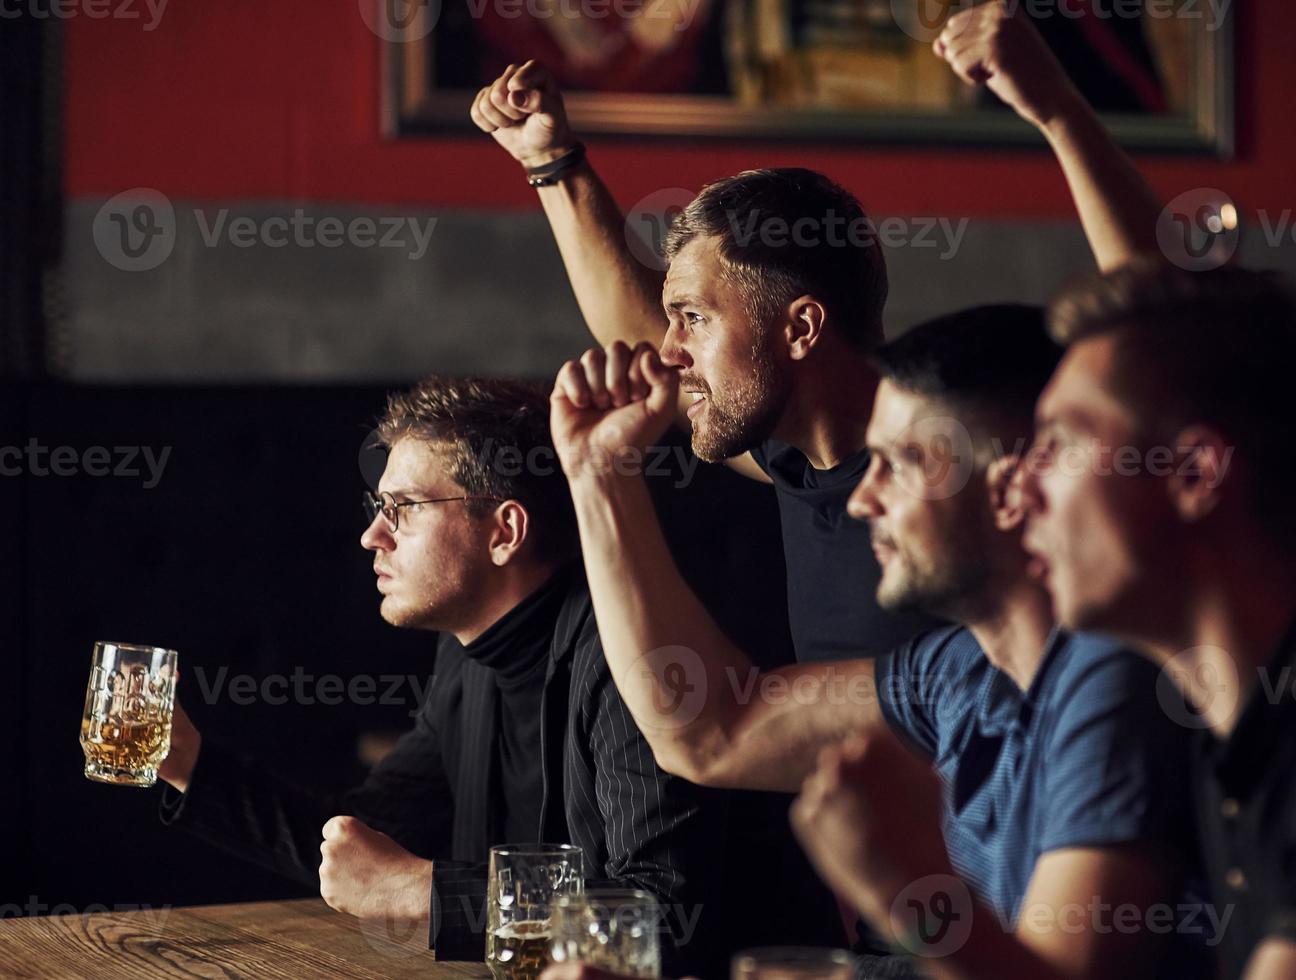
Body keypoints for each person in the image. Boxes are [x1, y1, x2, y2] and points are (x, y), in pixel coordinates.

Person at [470, 0, 1172, 666]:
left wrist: (1055, 107)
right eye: (678, 319)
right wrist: (550, 164)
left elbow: (1160, 336)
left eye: (695, 319)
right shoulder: (793, 456)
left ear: (801, 327)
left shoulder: (960, 454)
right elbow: (639, 319)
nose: (669, 350)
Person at [546, 307, 1208, 979]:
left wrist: (900, 884)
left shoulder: (1114, 681)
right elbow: (713, 730)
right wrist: (602, 476)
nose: (862, 501)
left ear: (1013, 487)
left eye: (900, 462)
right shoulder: (956, 671)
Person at [153, 376, 842, 970]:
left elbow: (660, 917)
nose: (373, 535)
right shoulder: (469, 649)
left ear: (505, 531)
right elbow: (363, 847)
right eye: (377, 507)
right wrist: (189, 765)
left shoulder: (625, 657)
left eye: (405, 508)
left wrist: (421, 894)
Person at [1017, 259, 1296, 979]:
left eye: (1061, 442)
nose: (1023, 482)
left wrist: (905, 887)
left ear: (1195, 474)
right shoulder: (1240, 727)